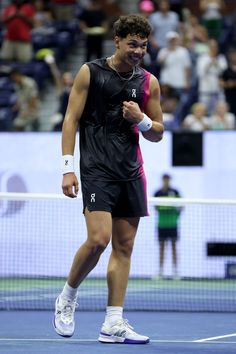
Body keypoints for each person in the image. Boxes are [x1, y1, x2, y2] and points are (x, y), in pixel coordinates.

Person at [54, 14, 164, 344]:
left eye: (143, 46)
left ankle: (112, 322)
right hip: (96, 170)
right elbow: (70, 120)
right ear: (116, 41)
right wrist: (67, 167)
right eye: (132, 44)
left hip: (131, 173)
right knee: (99, 240)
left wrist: (142, 120)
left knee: (124, 247)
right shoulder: (90, 72)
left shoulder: (149, 82)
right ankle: (67, 298)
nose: (138, 51)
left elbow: (158, 133)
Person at [154, 174, 181, 279]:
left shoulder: (175, 192)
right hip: (162, 225)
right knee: (161, 248)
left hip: (173, 224)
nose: (166, 181)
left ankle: (175, 272)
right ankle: (160, 272)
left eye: (168, 180)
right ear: (162, 180)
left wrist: (175, 213)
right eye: (165, 180)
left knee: (174, 248)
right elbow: (156, 207)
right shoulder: (158, 193)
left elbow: (181, 205)